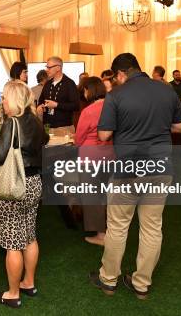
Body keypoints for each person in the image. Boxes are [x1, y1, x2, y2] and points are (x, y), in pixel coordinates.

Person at [90, 53, 181, 300]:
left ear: (121, 73)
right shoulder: (166, 91)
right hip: (160, 169)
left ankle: (108, 279)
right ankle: (142, 284)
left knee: (118, 227)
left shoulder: (116, 96)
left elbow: (103, 135)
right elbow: (180, 127)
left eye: (116, 77)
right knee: (152, 228)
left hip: (127, 171)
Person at [0, 81, 49, 308]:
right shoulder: (36, 121)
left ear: (13, 99)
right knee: (29, 235)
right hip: (33, 183)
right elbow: (45, 142)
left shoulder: (12, 123)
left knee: (13, 242)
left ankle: (13, 294)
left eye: (4, 97)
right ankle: (28, 282)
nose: (2, 101)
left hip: (14, 186)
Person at [74, 77, 112, 246]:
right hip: (111, 156)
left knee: (91, 196)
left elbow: (79, 138)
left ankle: (101, 234)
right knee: (106, 195)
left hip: (90, 158)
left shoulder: (88, 111)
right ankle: (112, 229)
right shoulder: (113, 107)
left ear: (89, 90)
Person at [37, 56, 80, 133]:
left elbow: (76, 106)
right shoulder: (47, 84)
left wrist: (57, 105)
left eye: (49, 67)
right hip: (47, 127)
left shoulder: (69, 83)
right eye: (47, 67)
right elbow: (41, 101)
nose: (47, 70)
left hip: (64, 128)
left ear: (58, 68)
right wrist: (40, 106)